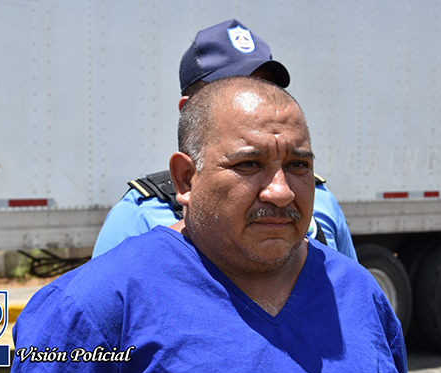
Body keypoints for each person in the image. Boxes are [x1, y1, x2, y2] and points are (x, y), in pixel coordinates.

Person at [2, 76, 415, 373]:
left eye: (298, 165)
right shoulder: (92, 310)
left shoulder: (359, 295)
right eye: (249, 164)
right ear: (186, 178)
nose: (281, 191)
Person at [92, 19, 357, 261]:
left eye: (267, 88)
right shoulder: (138, 218)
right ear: (188, 110)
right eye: (231, 90)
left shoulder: (320, 201)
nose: (255, 102)